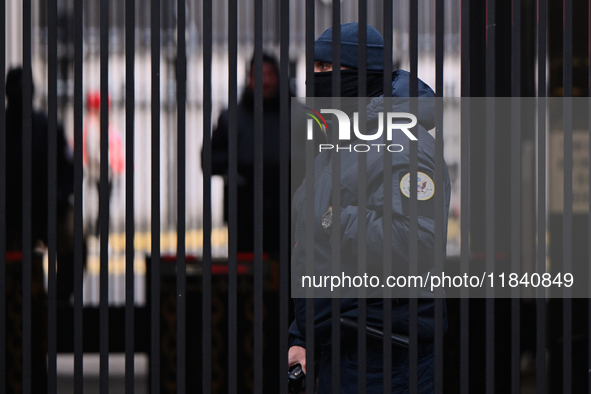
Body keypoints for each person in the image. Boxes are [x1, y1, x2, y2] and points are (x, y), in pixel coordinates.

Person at [287, 23, 451, 393]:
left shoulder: (404, 142)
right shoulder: (344, 140)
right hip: (339, 344)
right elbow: (318, 253)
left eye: (327, 69)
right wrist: (302, 334)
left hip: (386, 352)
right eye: (313, 68)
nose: (315, 79)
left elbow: (416, 240)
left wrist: (333, 219)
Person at [208, 53, 283, 255]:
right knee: (246, 275)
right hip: (244, 213)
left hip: (285, 213)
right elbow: (210, 160)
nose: (264, 81)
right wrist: (238, 163)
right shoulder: (231, 117)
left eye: (269, 74)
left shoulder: (296, 115)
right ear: (248, 78)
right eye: (257, 75)